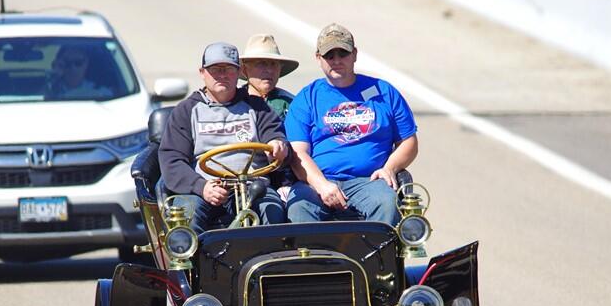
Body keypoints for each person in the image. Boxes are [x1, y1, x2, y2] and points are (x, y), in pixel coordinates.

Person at [284, 23, 418, 226]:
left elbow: (409, 142)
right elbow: (297, 154)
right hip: (319, 181)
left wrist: (389, 168)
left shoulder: (384, 91)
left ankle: (378, 258)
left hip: (369, 181)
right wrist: (322, 185)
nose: (336, 61)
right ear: (318, 58)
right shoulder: (307, 97)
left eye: (343, 54)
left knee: (386, 202)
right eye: (330, 55)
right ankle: (312, 258)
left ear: (354, 54)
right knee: (299, 207)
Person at [157, 42, 289, 234]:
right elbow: (172, 160)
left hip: (253, 185)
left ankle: (271, 262)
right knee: (185, 218)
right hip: (204, 187)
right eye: (215, 70)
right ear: (202, 73)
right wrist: (201, 187)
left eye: (228, 69)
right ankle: (189, 263)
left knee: (273, 211)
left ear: (239, 72)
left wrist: (276, 144)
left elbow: (273, 132)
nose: (222, 75)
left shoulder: (257, 106)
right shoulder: (186, 110)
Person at [239, 34, 299, 197]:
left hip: (287, 182)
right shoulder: (232, 103)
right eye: (261, 64)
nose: (269, 70)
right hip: (241, 180)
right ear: (244, 69)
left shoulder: (293, 104)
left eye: (273, 64)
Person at [47, 45, 112, 100]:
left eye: (78, 63)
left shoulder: (101, 93)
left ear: (86, 64)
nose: (73, 68)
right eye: (67, 62)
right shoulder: (47, 89)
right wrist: (54, 77)